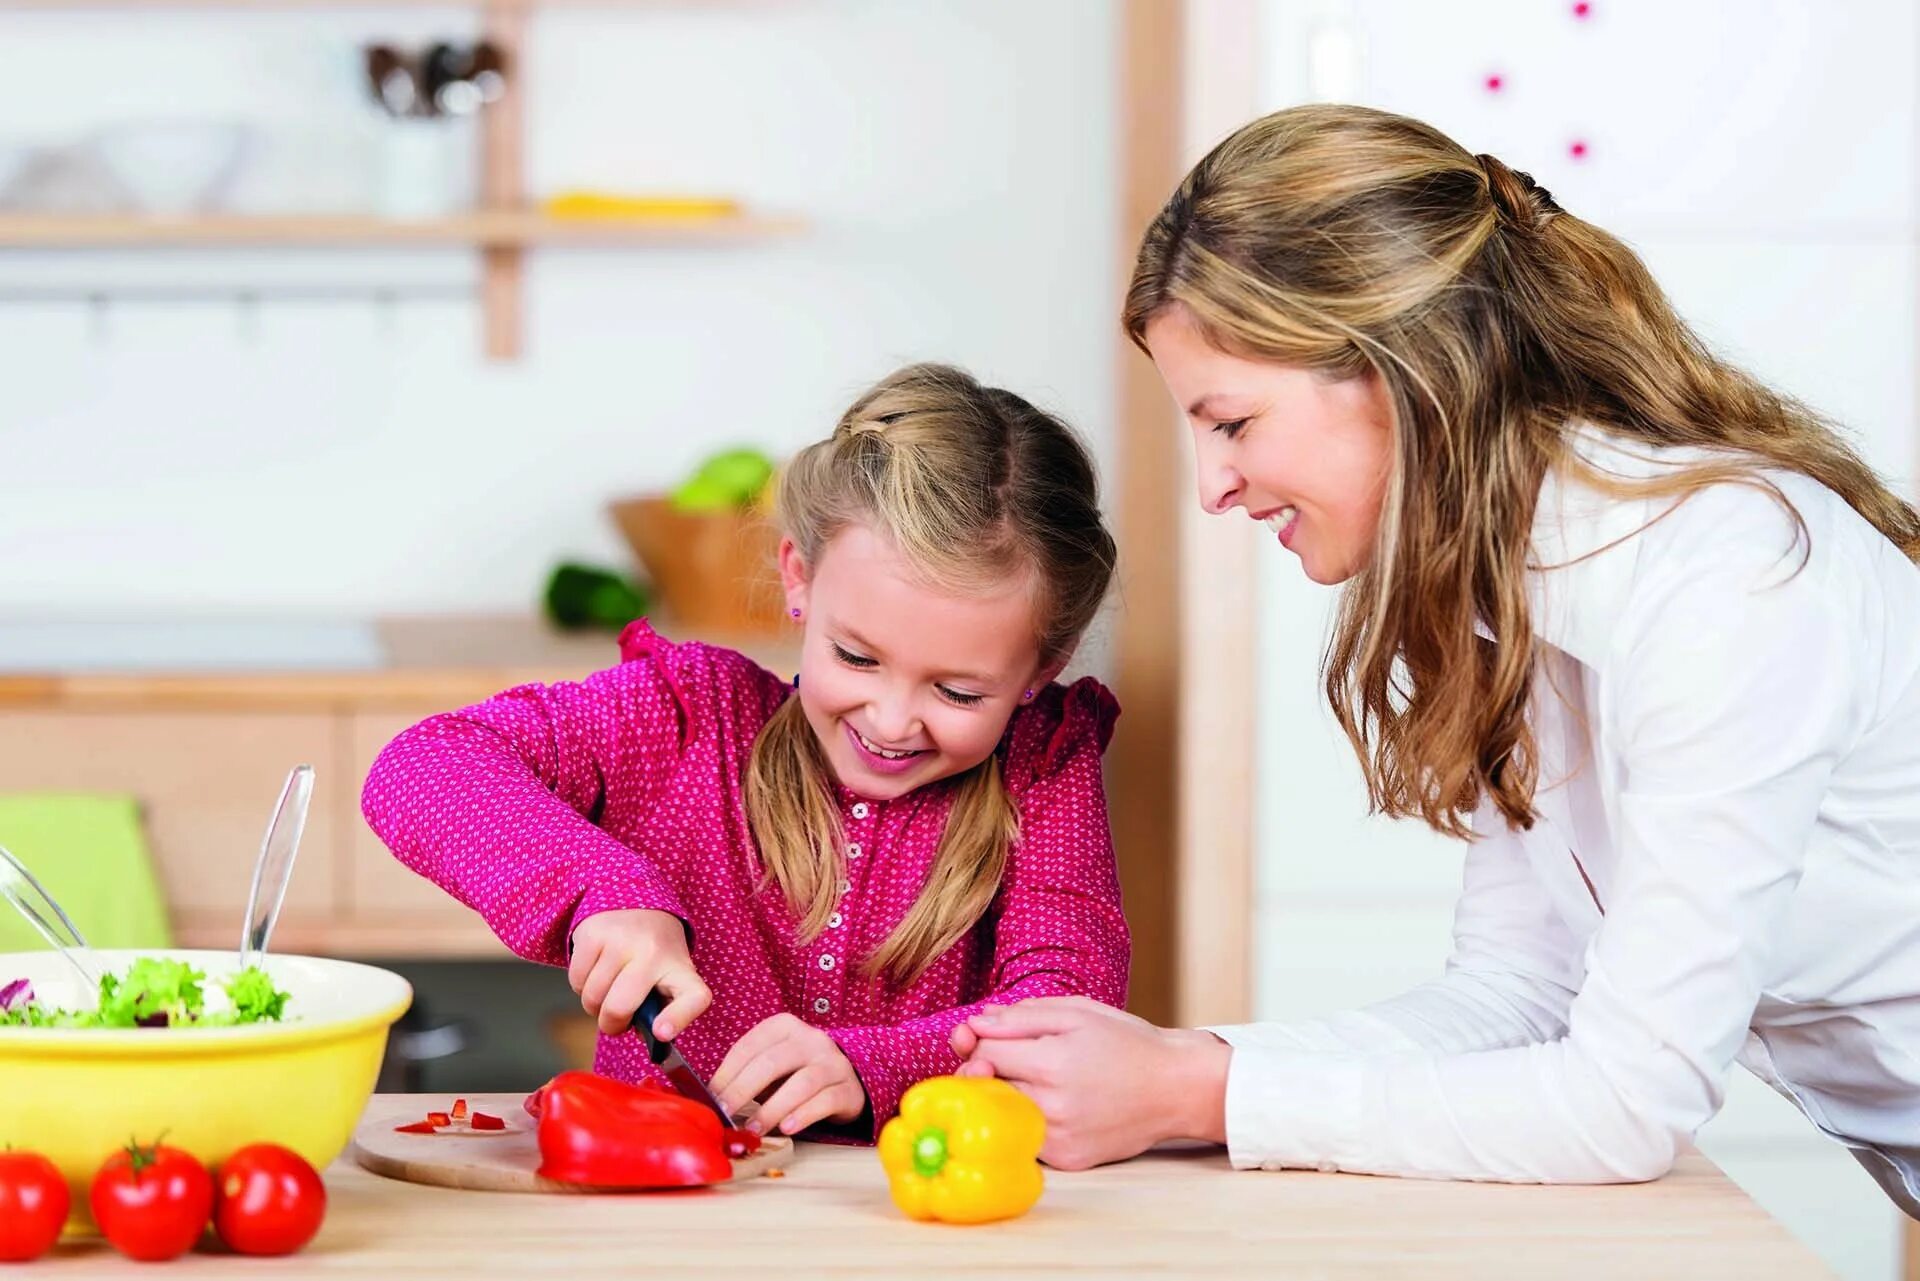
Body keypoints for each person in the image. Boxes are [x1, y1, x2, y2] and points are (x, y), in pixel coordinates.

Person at [952, 104, 1920, 1217]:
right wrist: (1183, 1064)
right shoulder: (1522, 602)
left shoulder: (1726, 584)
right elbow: (1519, 995)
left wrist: (1206, 1094)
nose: (1212, 486)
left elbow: (1626, 1105)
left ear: (1395, 373)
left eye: (1230, 423)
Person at [363, 362, 1128, 1140]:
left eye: (958, 693)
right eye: (857, 658)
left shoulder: (1043, 768)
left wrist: (869, 1067)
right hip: (663, 1220)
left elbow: (1066, 1016)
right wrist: (607, 888)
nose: (893, 719)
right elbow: (423, 766)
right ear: (800, 576)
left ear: (1045, 663)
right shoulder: (688, 716)